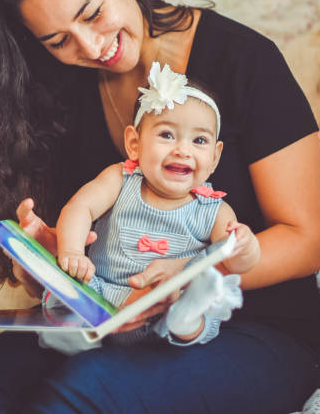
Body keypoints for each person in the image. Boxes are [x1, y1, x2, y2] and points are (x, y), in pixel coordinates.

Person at [0, 0, 320, 414]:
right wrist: (49, 263)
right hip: (111, 316)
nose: (92, 47)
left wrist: (186, 278)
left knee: (82, 392)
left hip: (257, 328)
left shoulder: (244, 60)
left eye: (92, 14)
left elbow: (306, 239)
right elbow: (84, 235)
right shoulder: (58, 88)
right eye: (58, 40)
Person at [51, 61, 259, 350]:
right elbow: (79, 208)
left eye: (199, 140)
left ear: (214, 157)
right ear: (134, 144)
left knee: (205, 303)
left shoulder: (214, 210)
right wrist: (72, 252)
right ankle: (71, 331)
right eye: (166, 135)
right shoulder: (119, 180)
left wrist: (245, 248)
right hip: (105, 298)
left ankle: (186, 318)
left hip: (166, 312)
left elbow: (231, 262)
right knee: (65, 289)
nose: (182, 150)